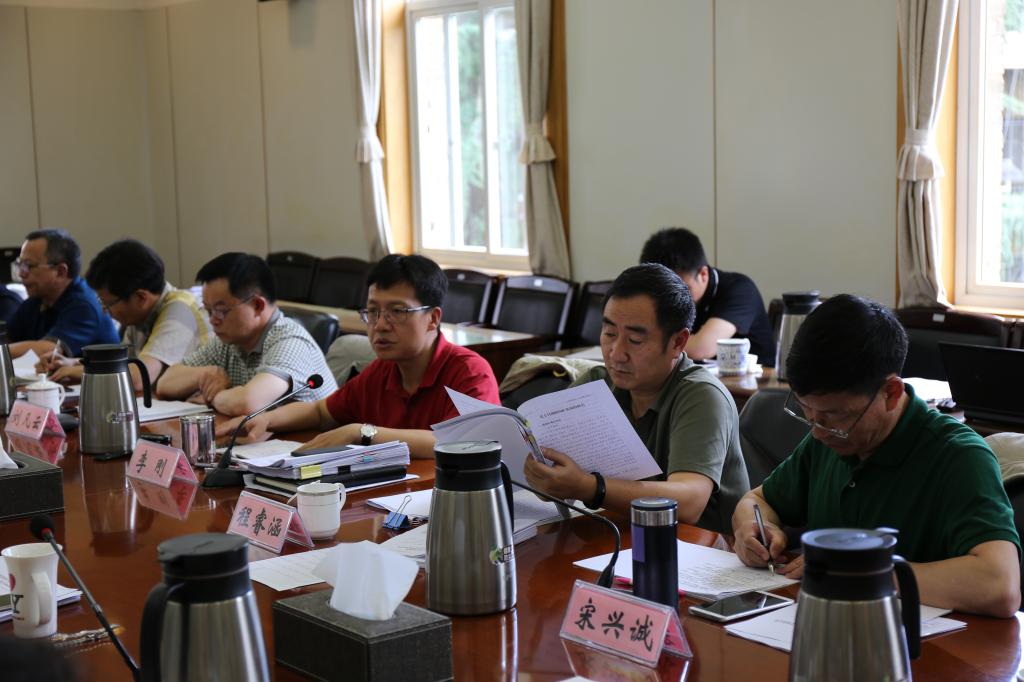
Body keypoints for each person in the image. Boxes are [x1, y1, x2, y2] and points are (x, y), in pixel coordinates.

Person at [732, 295, 1021, 618]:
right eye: (806, 411)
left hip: (921, 642)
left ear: (891, 393)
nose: (818, 431)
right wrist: (751, 530)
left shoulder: (959, 457)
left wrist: (862, 570)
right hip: (828, 625)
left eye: (835, 416)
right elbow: (757, 499)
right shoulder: (827, 440)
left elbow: (1000, 585)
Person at [524, 263, 750, 533]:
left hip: (703, 546)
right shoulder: (598, 384)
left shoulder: (702, 395)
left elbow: (690, 502)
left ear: (678, 342)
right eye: (610, 334)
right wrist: (546, 478)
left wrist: (590, 487)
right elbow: (556, 478)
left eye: (635, 340)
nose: (616, 353)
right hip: (624, 533)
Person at [216, 254, 500, 459]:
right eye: (373, 311)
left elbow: (460, 443)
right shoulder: (382, 371)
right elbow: (321, 412)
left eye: (397, 311)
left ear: (433, 318)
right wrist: (267, 419)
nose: (381, 324)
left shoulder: (469, 371)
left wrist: (362, 432)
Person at [157, 253, 336, 416]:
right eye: (208, 310)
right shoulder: (227, 341)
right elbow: (165, 384)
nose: (212, 320)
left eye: (221, 311)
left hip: (318, 440)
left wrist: (213, 395)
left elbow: (247, 403)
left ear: (257, 306)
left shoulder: (290, 341)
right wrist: (206, 374)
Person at [38, 239, 211, 391]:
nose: (105, 311)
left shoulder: (180, 311)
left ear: (141, 297)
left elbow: (138, 377)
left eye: (109, 304)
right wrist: (73, 363)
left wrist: (82, 371)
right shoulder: (138, 315)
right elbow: (124, 364)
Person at [640, 227, 774, 365]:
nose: (669, 300)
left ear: (703, 274)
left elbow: (702, 348)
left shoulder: (741, 289)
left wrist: (642, 343)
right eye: (661, 291)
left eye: (681, 289)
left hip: (757, 377)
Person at [6, 229, 118, 358]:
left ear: (60, 271)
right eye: (20, 264)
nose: (21, 273)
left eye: (29, 265)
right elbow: (7, 338)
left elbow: (50, 350)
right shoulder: (36, 300)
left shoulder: (85, 305)